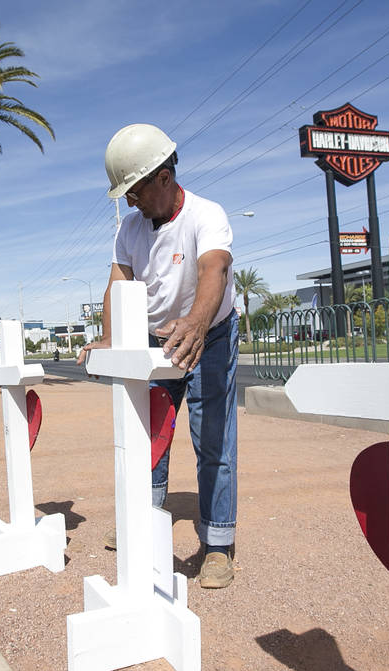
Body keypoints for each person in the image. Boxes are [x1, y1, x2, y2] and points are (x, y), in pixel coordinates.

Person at [77, 123, 239, 589]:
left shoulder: (207, 215)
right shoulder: (129, 229)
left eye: (134, 189)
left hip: (210, 335)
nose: (129, 200)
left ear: (163, 177)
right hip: (153, 339)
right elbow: (119, 282)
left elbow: (215, 269)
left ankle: (217, 546)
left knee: (214, 442)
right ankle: (142, 523)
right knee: (149, 434)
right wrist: (110, 336)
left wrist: (195, 323)